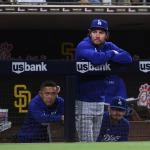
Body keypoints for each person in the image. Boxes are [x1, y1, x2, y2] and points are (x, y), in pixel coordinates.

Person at [75, 18, 132, 142]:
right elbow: (96, 59)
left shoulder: (108, 45)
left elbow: (128, 58)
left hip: (100, 102)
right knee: (86, 144)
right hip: (83, 101)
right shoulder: (83, 45)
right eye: (94, 32)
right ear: (89, 33)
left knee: (95, 143)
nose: (97, 35)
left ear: (106, 35)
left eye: (101, 32)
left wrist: (108, 53)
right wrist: (112, 54)